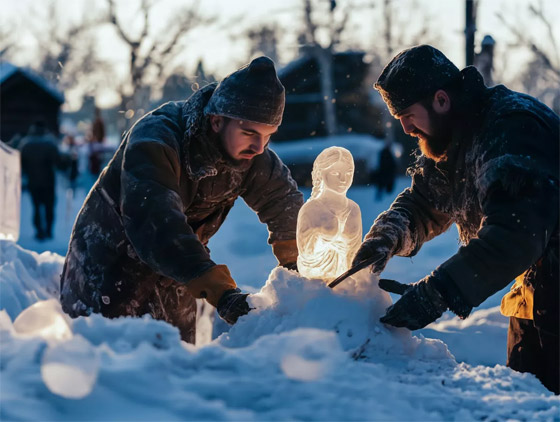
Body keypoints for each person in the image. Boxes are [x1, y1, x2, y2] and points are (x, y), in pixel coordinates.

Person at [352, 45, 559, 393]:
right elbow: (424, 201)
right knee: (524, 401)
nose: (405, 128)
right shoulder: (458, 136)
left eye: (407, 114)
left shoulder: (511, 128)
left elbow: (515, 234)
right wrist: (386, 236)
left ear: (441, 100)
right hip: (536, 296)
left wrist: (439, 291)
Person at [60, 57, 303, 344]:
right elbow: (157, 223)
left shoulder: (250, 154)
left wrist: (298, 262)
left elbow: (283, 202)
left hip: (181, 271)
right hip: (109, 268)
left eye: (268, 136)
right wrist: (222, 292)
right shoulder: (155, 140)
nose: (258, 146)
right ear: (216, 121)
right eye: (249, 132)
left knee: (175, 367)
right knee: (114, 369)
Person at [297, 146, 361, 282]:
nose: (344, 179)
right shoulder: (311, 209)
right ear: (321, 173)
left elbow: (355, 253)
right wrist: (320, 233)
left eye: (349, 173)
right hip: (316, 280)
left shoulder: (353, 209)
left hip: (345, 280)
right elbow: (305, 254)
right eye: (336, 173)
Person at [19, 121, 61, 240]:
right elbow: (58, 162)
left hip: (33, 182)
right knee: (49, 207)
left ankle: (39, 231)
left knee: (36, 207)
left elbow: (21, 164)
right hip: (48, 182)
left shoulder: (26, 144)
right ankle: (48, 230)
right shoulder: (50, 144)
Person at [88, 107, 105, 175]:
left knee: (96, 156)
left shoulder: (99, 122)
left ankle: (95, 170)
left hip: (98, 142)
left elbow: (101, 132)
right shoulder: (96, 122)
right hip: (96, 142)